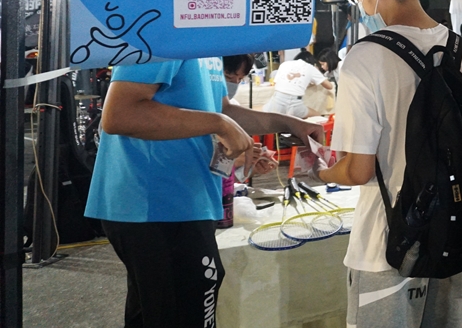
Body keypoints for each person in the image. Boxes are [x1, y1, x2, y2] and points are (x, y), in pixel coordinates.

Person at [86, 56, 324, 328]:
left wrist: (290, 123)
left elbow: (223, 109)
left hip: (187, 198)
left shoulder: (209, 46)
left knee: (158, 310)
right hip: (154, 201)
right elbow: (120, 115)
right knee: (186, 307)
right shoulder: (166, 36)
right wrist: (220, 124)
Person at [313, 0, 462, 327]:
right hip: (451, 234)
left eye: (359, 0)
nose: (363, 9)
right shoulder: (460, 49)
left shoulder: (364, 56)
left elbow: (358, 170)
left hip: (386, 244)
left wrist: (320, 171)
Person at [262, 50, 333, 119]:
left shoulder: (285, 64)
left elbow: (276, 83)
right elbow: (330, 86)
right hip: (295, 104)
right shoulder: (310, 68)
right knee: (318, 115)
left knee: (258, 110)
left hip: (277, 100)